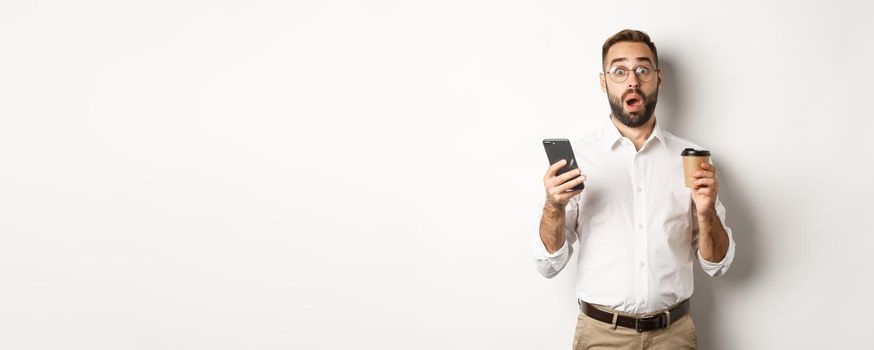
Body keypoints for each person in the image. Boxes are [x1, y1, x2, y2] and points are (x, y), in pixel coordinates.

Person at [531, 29, 736, 350]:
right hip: (601, 337)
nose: (632, 81)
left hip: (674, 336)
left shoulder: (692, 159)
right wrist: (553, 206)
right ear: (604, 81)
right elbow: (548, 265)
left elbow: (717, 265)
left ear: (658, 77)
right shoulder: (580, 158)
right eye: (619, 71)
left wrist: (707, 212)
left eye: (643, 69)